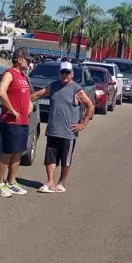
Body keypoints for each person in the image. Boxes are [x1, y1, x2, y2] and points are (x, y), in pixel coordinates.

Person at [30, 61, 93, 193]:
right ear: (59, 73)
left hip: (69, 132)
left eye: (67, 73)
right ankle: (50, 182)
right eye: (62, 72)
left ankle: (61, 183)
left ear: (72, 74)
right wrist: (21, 102)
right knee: (50, 158)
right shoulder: (53, 86)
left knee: (66, 160)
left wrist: (83, 124)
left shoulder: (77, 89)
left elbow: (90, 105)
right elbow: (38, 95)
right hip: (53, 129)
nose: (65, 75)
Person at [0, 49, 34, 197]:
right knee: (8, 153)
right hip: (11, 122)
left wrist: (29, 104)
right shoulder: (10, 73)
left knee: (18, 152)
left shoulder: (24, 76)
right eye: (27, 59)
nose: (29, 62)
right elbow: (1, 92)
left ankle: (11, 181)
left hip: (23, 121)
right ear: (19, 59)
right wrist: (11, 110)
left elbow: (26, 95)